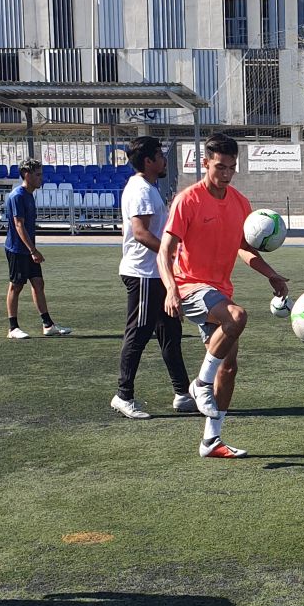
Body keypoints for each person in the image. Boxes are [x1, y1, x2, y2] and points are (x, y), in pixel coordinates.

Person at [159, 133, 291, 458]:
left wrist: (271, 274)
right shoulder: (188, 200)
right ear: (205, 163)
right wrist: (171, 289)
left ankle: (211, 440)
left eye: (232, 167)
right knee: (237, 316)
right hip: (189, 286)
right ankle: (200, 384)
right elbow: (165, 251)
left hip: (219, 291)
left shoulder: (241, 204)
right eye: (220, 167)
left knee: (229, 367)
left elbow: (244, 249)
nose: (227, 174)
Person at [110, 134, 197, 420]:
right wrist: (170, 254)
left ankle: (182, 393)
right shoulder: (140, 190)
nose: (163, 160)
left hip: (156, 274)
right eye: (159, 156)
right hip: (143, 274)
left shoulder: (148, 187)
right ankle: (123, 395)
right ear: (148, 161)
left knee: (170, 333)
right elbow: (140, 233)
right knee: (138, 333)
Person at [3, 156, 69, 340]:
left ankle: (48, 325)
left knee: (38, 283)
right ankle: (13, 328)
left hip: (27, 248)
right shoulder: (18, 196)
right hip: (17, 249)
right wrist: (33, 250)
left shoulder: (29, 195)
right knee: (16, 286)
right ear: (27, 174)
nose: (41, 178)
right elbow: (19, 225)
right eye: (38, 175)